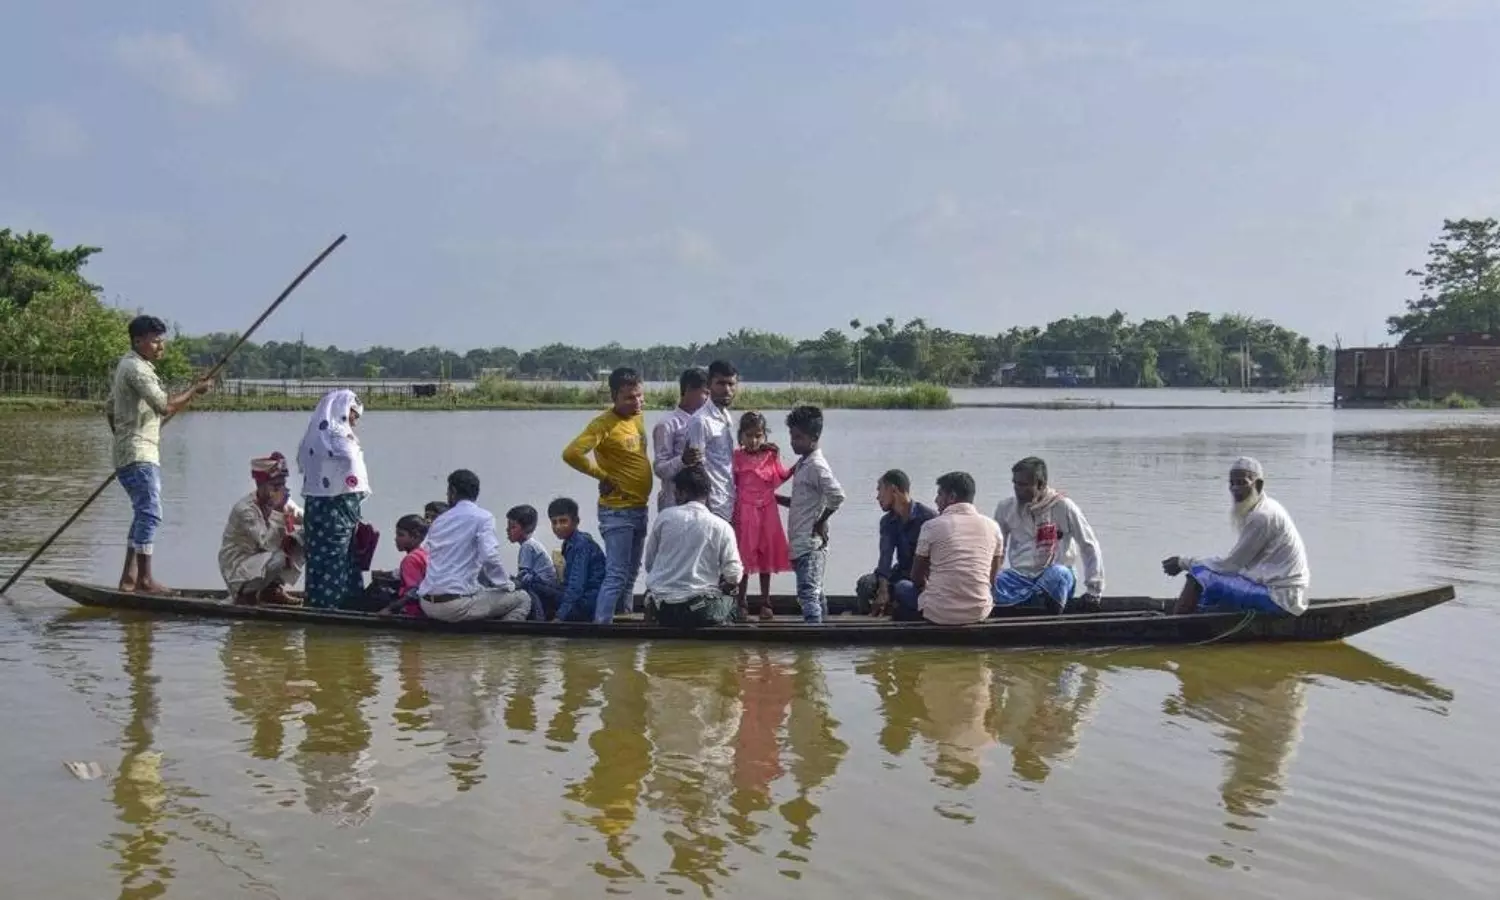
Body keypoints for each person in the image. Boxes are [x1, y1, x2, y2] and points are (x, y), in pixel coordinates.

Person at [105, 314, 210, 593]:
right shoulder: (136, 369)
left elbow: (110, 408)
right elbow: (164, 405)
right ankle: (145, 580)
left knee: (142, 513)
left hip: (132, 450)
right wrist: (195, 390)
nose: (160, 346)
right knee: (150, 514)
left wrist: (128, 434)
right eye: (155, 340)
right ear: (138, 340)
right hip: (139, 454)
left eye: (161, 340)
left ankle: (129, 579)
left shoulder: (128, 365)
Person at [1162, 457, 1310, 616]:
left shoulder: (1262, 516)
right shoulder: (1264, 508)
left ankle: (1176, 624)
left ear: (1258, 485)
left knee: (1199, 575)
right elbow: (1237, 566)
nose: (1235, 489)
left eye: (1242, 483)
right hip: (1282, 592)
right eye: (1232, 483)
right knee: (1208, 589)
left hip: (1278, 598)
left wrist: (1183, 562)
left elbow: (1230, 565)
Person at [562, 366, 652, 623]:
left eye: (639, 395)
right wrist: (601, 476)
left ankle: (622, 617)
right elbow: (571, 454)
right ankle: (602, 628)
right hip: (617, 510)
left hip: (639, 507)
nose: (637, 402)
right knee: (616, 573)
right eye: (629, 397)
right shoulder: (603, 423)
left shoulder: (637, 417)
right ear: (614, 396)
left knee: (632, 572)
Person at [415, 469, 532, 622]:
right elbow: (490, 556)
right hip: (454, 606)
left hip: (426, 603)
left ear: (453, 492)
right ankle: (502, 642)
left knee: (482, 591)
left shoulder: (439, 521)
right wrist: (507, 585)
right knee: (522, 598)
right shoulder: (483, 517)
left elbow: (425, 552)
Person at [991, 457, 1105, 614]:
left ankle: (1040, 609)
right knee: (984, 583)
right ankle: (1026, 604)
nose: (1017, 489)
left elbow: (1089, 545)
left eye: (1023, 485)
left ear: (1041, 484)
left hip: (1054, 577)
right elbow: (996, 550)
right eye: (1015, 483)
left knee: (1059, 574)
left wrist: (1094, 591)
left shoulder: (1063, 506)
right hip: (1018, 578)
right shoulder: (1005, 508)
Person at [297, 388, 372, 609]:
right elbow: (351, 468)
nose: (355, 422)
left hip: (317, 504)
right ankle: (334, 605)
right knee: (337, 556)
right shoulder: (339, 436)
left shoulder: (315, 437)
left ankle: (321, 601)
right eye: (354, 415)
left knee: (323, 556)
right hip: (336, 507)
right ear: (342, 410)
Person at [644, 467, 745, 627]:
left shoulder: (664, 517)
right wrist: (724, 585)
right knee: (732, 599)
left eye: (676, 492)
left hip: (662, 609)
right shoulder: (722, 526)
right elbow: (734, 575)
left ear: (683, 493)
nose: (675, 496)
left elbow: (650, 564)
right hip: (700, 610)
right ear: (707, 494)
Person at [903, 472, 1004, 625]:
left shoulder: (931, 526)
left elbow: (916, 576)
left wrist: (927, 588)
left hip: (939, 613)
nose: (936, 500)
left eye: (939, 494)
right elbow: (992, 578)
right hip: (979, 611)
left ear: (952, 497)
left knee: (901, 587)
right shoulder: (993, 527)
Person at [778, 405, 845, 623]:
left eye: (798, 437)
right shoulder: (802, 464)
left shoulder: (817, 465)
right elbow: (801, 504)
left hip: (811, 545)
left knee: (808, 593)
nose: (792, 441)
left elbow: (837, 496)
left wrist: (821, 521)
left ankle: (813, 639)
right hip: (799, 543)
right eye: (791, 436)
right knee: (815, 591)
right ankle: (821, 631)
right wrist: (773, 499)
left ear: (814, 438)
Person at [218, 452, 303, 605]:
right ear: (261, 486)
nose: (281, 490)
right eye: (276, 486)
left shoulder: (284, 502)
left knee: (303, 537)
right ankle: (245, 594)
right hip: (239, 566)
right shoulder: (246, 510)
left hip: (261, 561)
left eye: (283, 485)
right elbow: (266, 543)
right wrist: (278, 513)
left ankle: (271, 591)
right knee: (280, 557)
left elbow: (305, 518)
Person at [731, 411, 792, 620]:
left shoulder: (770, 455)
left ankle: (766, 601)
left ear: (764, 435)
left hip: (767, 510)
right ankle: (742, 602)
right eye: (749, 436)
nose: (753, 440)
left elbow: (780, 477)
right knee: (744, 555)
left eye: (758, 436)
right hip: (745, 510)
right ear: (741, 436)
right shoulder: (736, 456)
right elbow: (731, 483)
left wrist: (798, 465)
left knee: (766, 554)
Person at [855, 469, 937, 617]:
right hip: (901, 572)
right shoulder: (887, 521)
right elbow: (885, 558)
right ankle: (868, 624)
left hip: (923, 578)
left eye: (880, 490)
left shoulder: (928, 518)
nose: (877, 497)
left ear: (893, 489)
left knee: (903, 590)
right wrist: (883, 588)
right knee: (865, 584)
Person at [651, 367, 710, 511]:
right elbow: (660, 469)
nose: (709, 399)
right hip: (674, 504)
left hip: (704, 505)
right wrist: (682, 460)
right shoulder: (667, 424)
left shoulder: (707, 422)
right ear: (689, 389)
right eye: (705, 393)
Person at [687, 360, 739, 521]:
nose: (727, 390)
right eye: (721, 383)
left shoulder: (725, 417)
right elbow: (696, 467)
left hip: (728, 500)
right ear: (709, 385)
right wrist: (706, 506)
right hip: (711, 506)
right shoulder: (701, 420)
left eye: (731, 384)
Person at [549, 497, 608, 622]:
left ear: (576, 522)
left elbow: (576, 587)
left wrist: (560, 617)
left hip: (588, 603)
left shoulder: (581, 545)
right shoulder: (569, 543)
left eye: (563, 521)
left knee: (536, 587)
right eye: (554, 522)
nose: (558, 526)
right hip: (582, 599)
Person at [506, 504, 560, 620]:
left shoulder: (527, 546)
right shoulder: (531, 544)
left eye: (513, 527)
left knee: (527, 586)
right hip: (548, 587)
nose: (508, 530)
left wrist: (507, 585)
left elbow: (524, 578)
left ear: (527, 528)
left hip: (544, 588)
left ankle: (539, 618)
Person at [378, 514, 430, 617]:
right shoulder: (424, 554)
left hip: (412, 609)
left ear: (415, 536)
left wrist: (390, 609)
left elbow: (415, 591)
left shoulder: (410, 559)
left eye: (400, 535)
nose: (396, 539)